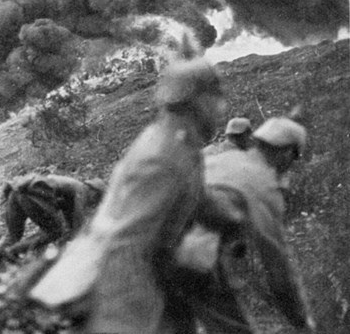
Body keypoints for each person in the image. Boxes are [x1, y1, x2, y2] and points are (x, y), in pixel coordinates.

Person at [29, 58, 227, 333]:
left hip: (130, 281)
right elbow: (132, 239)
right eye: (216, 98)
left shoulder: (168, 141)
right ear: (198, 101)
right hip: (119, 292)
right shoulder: (166, 156)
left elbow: (183, 203)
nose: (220, 109)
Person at [183, 117, 315, 333]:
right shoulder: (264, 186)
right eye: (294, 158)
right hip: (191, 258)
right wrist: (302, 322)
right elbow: (278, 271)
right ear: (285, 153)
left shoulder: (217, 158)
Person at [0, 174, 106, 269]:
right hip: (29, 194)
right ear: (94, 191)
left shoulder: (70, 190)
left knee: (12, 235)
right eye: (96, 199)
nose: (93, 203)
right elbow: (77, 227)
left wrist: (66, 239)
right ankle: (12, 252)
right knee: (54, 232)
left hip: (16, 192)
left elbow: (70, 226)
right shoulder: (80, 190)